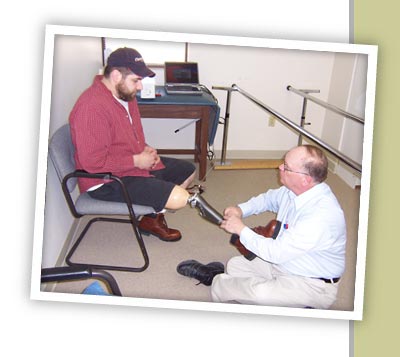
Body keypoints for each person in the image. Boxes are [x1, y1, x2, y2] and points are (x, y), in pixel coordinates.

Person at [69, 47, 197, 242]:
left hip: (128, 164)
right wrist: (136, 161)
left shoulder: (124, 97)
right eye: (136, 80)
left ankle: (150, 219)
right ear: (115, 75)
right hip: (104, 181)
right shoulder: (91, 107)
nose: (139, 87)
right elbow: (91, 163)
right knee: (180, 199)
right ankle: (154, 212)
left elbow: (131, 134)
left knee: (188, 170)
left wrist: (144, 148)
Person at [211, 144, 347, 309]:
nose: (280, 167)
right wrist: (240, 209)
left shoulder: (321, 217)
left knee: (259, 294)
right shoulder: (294, 191)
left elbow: (275, 252)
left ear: (305, 179)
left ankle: (217, 283)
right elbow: (268, 199)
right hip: (287, 264)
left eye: (286, 167)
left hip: (313, 284)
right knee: (235, 265)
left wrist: (240, 229)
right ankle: (269, 293)